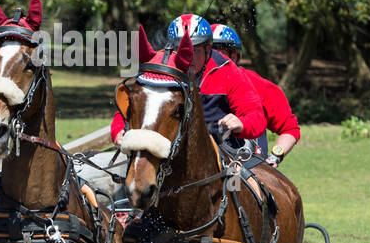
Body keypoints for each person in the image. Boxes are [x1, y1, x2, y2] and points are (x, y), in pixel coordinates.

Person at [111, 13, 267, 157]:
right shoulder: (162, 66)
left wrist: (242, 123)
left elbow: (256, 116)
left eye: (196, 50)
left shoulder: (227, 70)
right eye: (181, 50)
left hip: (221, 148)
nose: (188, 57)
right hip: (167, 147)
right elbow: (133, 106)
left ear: (208, 49)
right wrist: (118, 131)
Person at [211, 22, 300, 167]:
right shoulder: (190, 84)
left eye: (218, 52)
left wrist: (274, 157)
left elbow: (290, 129)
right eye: (207, 52)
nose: (213, 59)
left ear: (235, 56)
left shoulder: (259, 85)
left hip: (249, 169)